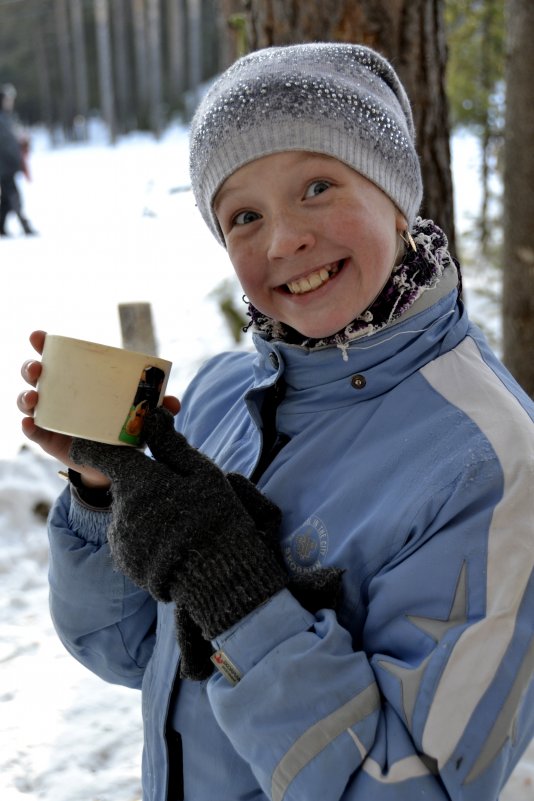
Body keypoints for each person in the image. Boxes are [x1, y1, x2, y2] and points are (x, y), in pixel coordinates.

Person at [18, 43, 533, 801]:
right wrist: (106, 493)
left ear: (395, 192)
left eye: (317, 186)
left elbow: (412, 789)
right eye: (244, 215)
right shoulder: (227, 394)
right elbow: (129, 652)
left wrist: (241, 596)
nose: (283, 240)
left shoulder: (489, 460)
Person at [0, 83, 35, 237]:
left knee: (7, 200)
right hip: (3, 166)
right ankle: (24, 224)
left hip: (9, 166)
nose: (10, 102)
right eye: (7, 99)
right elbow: (6, 144)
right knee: (14, 196)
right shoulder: (2, 119)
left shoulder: (8, 117)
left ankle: (0, 226)